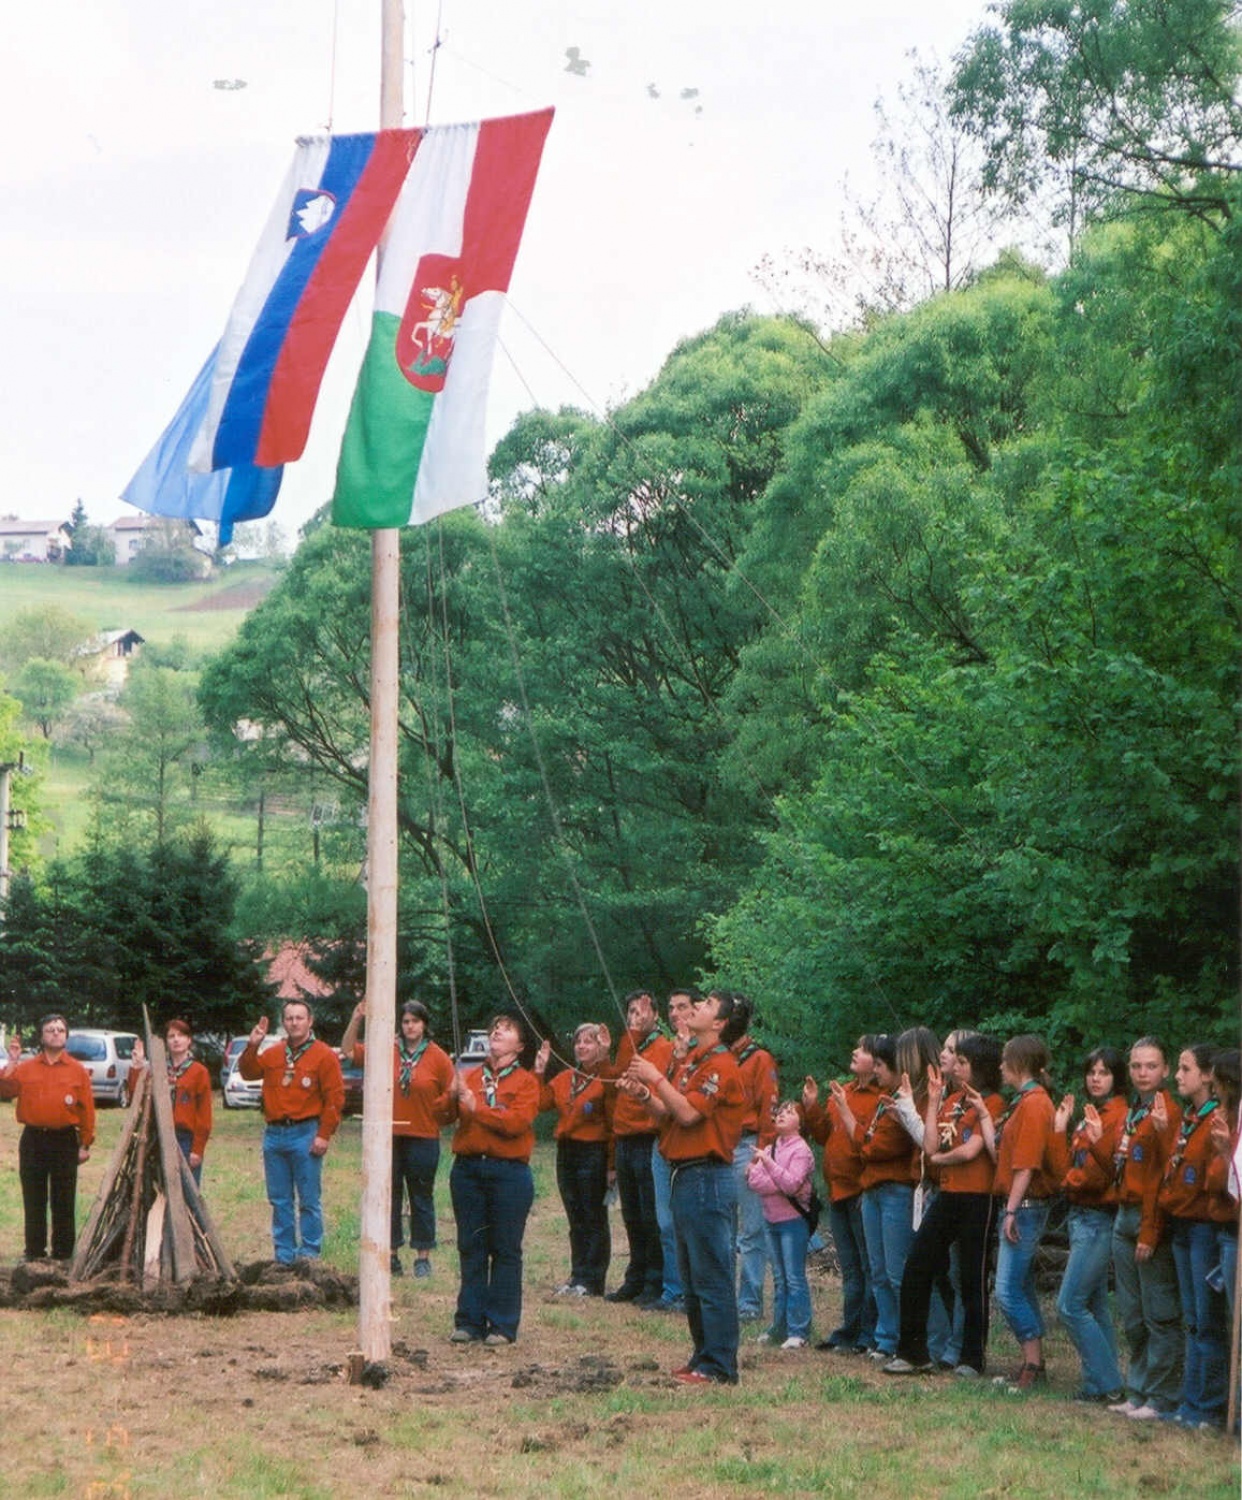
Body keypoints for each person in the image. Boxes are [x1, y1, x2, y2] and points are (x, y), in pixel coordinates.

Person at [621, 987, 747, 1385]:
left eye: (707, 1005)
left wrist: (656, 1075)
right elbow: (668, 1115)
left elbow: (691, 1113)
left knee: (710, 1274)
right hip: (684, 1173)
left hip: (707, 1176)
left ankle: (720, 1365)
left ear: (720, 1023)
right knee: (692, 1276)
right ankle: (702, 1355)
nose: (696, 1008)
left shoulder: (722, 1066)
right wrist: (645, 1093)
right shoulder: (695, 1059)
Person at [884, 1032, 1003, 1379]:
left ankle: (971, 1357)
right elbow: (929, 1143)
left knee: (971, 1277)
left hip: (978, 1197)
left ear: (978, 1067)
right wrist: (934, 1101)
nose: (956, 1067)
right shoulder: (952, 1100)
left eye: (963, 1062)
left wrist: (938, 1157)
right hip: (949, 1194)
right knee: (917, 1264)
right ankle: (913, 1351)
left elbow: (971, 1150)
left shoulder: (991, 1102)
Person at [341, 997, 455, 1277]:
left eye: (415, 1021)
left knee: (421, 1197)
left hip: (423, 1136)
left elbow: (452, 1092)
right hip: (389, 1136)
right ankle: (390, 1254)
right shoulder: (386, 1049)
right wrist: (357, 1018)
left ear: (424, 1024)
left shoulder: (437, 1056)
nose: (410, 1027)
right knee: (389, 1196)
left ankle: (422, 1256)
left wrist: (439, 1112)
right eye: (405, 1022)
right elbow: (348, 1052)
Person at [444, 1013, 540, 1345]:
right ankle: (469, 1321)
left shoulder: (527, 1082)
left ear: (520, 1045)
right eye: (494, 1028)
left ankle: (501, 1323)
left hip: (509, 1173)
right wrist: (450, 1095)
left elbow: (515, 1122)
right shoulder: (470, 1076)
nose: (498, 1031)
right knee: (471, 1245)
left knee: (505, 1248)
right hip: (468, 1170)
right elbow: (442, 1117)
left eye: (507, 1029)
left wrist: (477, 1109)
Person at [238, 1001, 345, 1265]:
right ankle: (284, 1256)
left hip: (305, 1132)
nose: (294, 1022)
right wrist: (253, 1044)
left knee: (308, 1199)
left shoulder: (323, 1055)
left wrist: (324, 1134)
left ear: (310, 1021)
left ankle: (309, 1255)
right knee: (279, 1199)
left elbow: (335, 1098)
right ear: (283, 1023)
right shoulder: (274, 1053)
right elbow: (248, 1072)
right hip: (275, 1134)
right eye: (289, 1018)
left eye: (299, 1018)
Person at [1108, 1036, 1182, 1421]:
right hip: (1124, 1213)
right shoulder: (1135, 1111)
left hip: (1147, 1217)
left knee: (1159, 1313)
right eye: (1136, 1066)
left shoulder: (1166, 1113)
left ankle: (1162, 1396)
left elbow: (1162, 1177)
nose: (1142, 1073)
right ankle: (1137, 1390)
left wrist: (1150, 1232)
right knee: (1132, 1313)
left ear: (1165, 1070)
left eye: (1150, 1066)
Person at [1049, 1045, 1128, 1404]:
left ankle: (1110, 1383)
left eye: (1104, 1073)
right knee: (1094, 1304)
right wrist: (1060, 1130)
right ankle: (1098, 1384)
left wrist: (1068, 1182)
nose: (1096, 1079)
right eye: (1091, 1072)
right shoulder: (1090, 1114)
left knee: (1069, 1304)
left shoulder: (1118, 1115)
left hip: (1098, 1217)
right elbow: (1068, 1162)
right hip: (1079, 1216)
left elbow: (1097, 1176)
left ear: (1116, 1077)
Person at [1158, 1042, 1228, 1429]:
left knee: (1207, 1319)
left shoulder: (1216, 1118)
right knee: (1192, 1318)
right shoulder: (1188, 1118)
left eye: (1185, 1069)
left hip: (1204, 1228)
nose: (1178, 1076)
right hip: (1182, 1226)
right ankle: (1190, 1401)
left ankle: (1209, 1405)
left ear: (1207, 1075)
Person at [986, 1033, 1057, 1394]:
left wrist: (1011, 1211)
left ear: (1019, 1064)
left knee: (1007, 1290)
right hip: (1019, 1204)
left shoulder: (1034, 1105)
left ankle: (1032, 1362)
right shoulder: (1024, 1102)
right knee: (1023, 1286)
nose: (1000, 1066)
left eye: (1004, 1060)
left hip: (1025, 1206)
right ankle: (1034, 1363)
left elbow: (1027, 1164)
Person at [802, 1035, 881, 1353]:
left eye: (861, 1049)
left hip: (862, 1191)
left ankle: (869, 1332)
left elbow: (868, 1142)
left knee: (869, 1266)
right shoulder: (842, 1092)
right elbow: (824, 1136)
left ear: (876, 1063)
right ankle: (850, 1329)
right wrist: (811, 1108)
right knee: (850, 1268)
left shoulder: (880, 1098)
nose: (853, 1051)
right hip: (838, 1193)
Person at [1, 1016, 96, 1263]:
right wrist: (12, 1061)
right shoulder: (26, 1067)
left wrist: (85, 1143)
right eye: (50, 1030)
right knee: (34, 1199)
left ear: (66, 1035)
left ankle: (63, 1255)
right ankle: (34, 1253)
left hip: (65, 1140)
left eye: (60, 1030)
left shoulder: (77, 1070)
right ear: (42, 1037)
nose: (55, 1033)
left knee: (63, 1199)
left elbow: (87, 1109)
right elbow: (5, 1090)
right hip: (33, 1140)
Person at [534, 1022, 613, 1296]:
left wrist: (612, 1165)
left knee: (593, 1215)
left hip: (593, 1151)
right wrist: (539, 1070)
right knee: (574, 1215)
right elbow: (539, 1103)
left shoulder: (605, 1077)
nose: (582, 1046)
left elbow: (613, 1119)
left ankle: (593, 1279)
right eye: (579, 1041)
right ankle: (577, 1274)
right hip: (566, 1150)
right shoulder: (566, 1077)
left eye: (589, 1042)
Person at [607, 989, 673, 1306]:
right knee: (631, 1212)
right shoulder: (630, 1043)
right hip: (625, 1136)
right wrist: (633, 1028)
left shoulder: (664, 1047)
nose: (636, 1015)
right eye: (631, 1010)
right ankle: (635, 1276)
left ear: (656, 1015)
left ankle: (654, 1280)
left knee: (650, 1213)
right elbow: (620, 1067)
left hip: (648, 1135)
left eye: (643, 1010)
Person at [746, 1099, 815, 1348]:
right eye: (781, 1111)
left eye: (790, 1111)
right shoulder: (772, 1147)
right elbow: (753, 1180)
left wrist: (767, 1165)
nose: (783, 1115)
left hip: (793, 1221)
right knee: (778, 1276)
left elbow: (792, 1184)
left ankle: (799, 1330)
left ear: (801, 1122)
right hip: (771, 1218)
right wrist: (770, 1171)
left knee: (794, 1276)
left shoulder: (802, 1150)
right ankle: (779, 1327)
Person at [729, 995, 779, 1323]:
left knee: (751, 1230)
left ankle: (749, 1302)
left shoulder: (759, 1059)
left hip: (747, 1146)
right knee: (723, 1228)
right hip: (719, 1146)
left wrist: (761, 1155)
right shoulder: (718, 1057)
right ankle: (722, 1297)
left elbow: (769, 1110)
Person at [649, 986, 698, 1312]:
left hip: (693, 1147)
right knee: (665, 1222)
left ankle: (693, 1293)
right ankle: (672, 1289)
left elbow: (691, 1109)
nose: (675, 1013)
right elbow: (663, 1106)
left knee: (691, 1224)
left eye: (682, 1006)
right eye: (671, 1007)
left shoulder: (708, 1053)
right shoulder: (669, 1051)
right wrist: (642, 1096)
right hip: (663, 1142)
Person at [127, 1021, 214, 1185]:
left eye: (181, 1035)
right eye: (171, 1036)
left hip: (185, 1140)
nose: (176, 1040)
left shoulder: (199, 1072)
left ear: (189, 1040)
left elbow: (204, 1115)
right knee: (159, 1189)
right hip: (158, 1137)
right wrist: (137, 1066)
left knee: (187, 1192)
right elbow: (136, 1097)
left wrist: (197, 1149)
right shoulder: (158, 1070)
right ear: (166, 1042)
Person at [1206, 1049, 1240, 1327]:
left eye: (1216, 1082)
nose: (1213, 1089)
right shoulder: (1224, 1116)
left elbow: (1220, 1180)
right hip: (1227, 1228)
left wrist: (1225, 1152)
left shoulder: (1236, 1121)